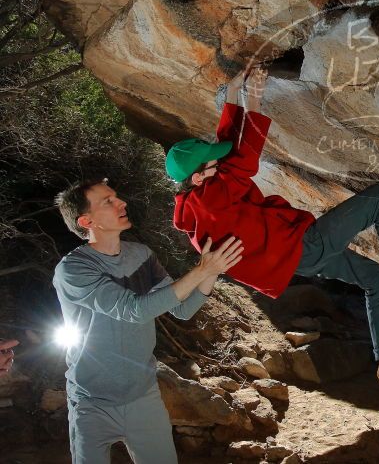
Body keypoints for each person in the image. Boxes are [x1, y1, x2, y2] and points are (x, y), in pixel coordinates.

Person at [166, 67, 379, 383]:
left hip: (294, 260)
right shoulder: (211, 198)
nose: (218, 161)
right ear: (199, 178)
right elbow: (244, 157)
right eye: (210, 163)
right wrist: (252, 96)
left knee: (376, 278)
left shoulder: (196, 207)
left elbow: (225, 154)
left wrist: (232, 95)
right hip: (303, 245)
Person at [53, 179, 243, 464]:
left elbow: (183, 310)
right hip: (92, 403)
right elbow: (135, 310)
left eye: (116, 196)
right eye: (108, 201)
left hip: (143, 395)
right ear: (86, 220)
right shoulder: (74, 270)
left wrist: (213, 270)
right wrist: (201, 269)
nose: (122, 203)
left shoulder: (141, 255)